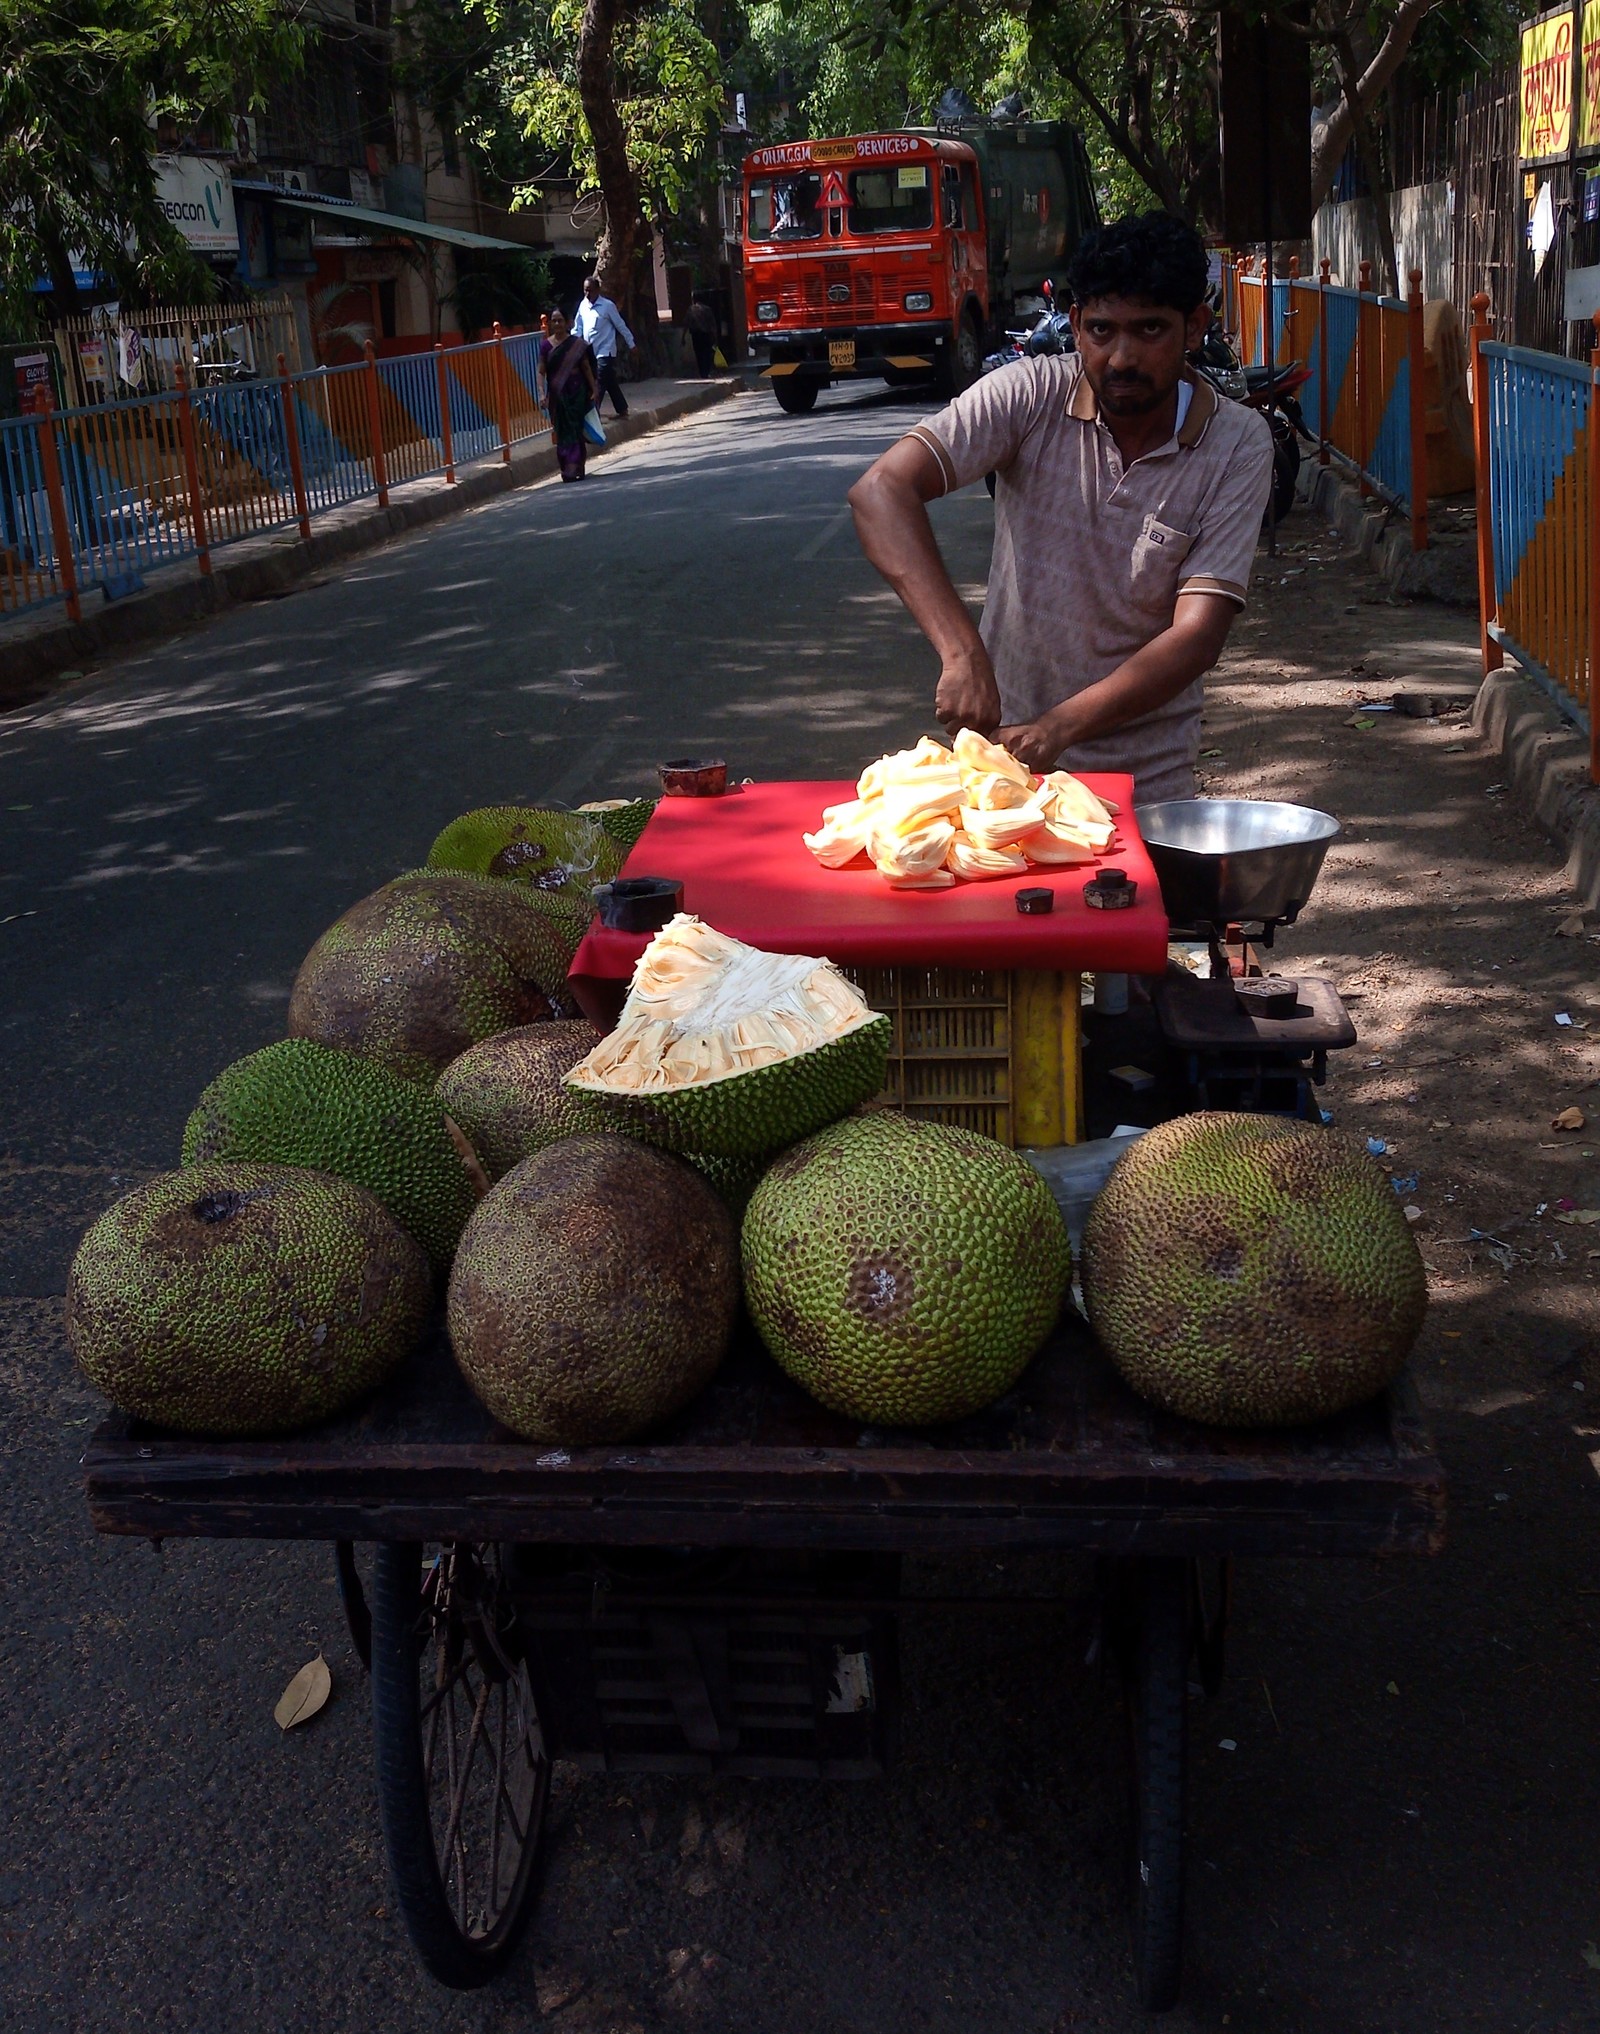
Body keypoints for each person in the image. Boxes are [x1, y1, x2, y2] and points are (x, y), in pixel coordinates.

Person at [847, 212, 1274, 806]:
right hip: (1005, 777)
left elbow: (1197, 637)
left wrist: (1057, 728)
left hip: (1144, 787)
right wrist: (961, 651)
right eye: (1102, 331)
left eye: (1149, 330)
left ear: (1194, 327)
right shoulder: (1028, 394)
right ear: (1075, 326)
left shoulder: (1237, 442)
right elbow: (879, 492)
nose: (1121, 357)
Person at [539, 306, 598, 482]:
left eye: (560, 320)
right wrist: (542, 393)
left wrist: (593, 388)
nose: (557, 324)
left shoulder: (576, 344)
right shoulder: (545, 345)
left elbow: (586, 367)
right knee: (562, 431)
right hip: (558, 395)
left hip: (576, 391)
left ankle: (576, 467)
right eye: (554, 320)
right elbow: (541, 371)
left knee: (575, 429)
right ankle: (566, 468)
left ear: (567, 323)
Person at [575, 275, 634, 419]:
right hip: (590, 351)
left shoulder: (608, 306)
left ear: (598, 290)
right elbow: (578, 328)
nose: (588, 294)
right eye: (585, 291)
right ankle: (622, 409)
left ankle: (593, 412)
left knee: (600, 379)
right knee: (610, 381)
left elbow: (621, 325)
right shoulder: (583, 306)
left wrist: (631, 344)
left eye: (590, 290)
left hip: (605, 351)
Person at [686, 293, 718, 378]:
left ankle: (702, 372)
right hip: (705, 334)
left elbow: (686, 323)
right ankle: (706, 372)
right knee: (706, 353)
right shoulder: (707, 309)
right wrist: (715, 336)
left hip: (695, 334)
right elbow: (712, 324)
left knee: (698, 354)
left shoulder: (691, 309)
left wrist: (683, 337)